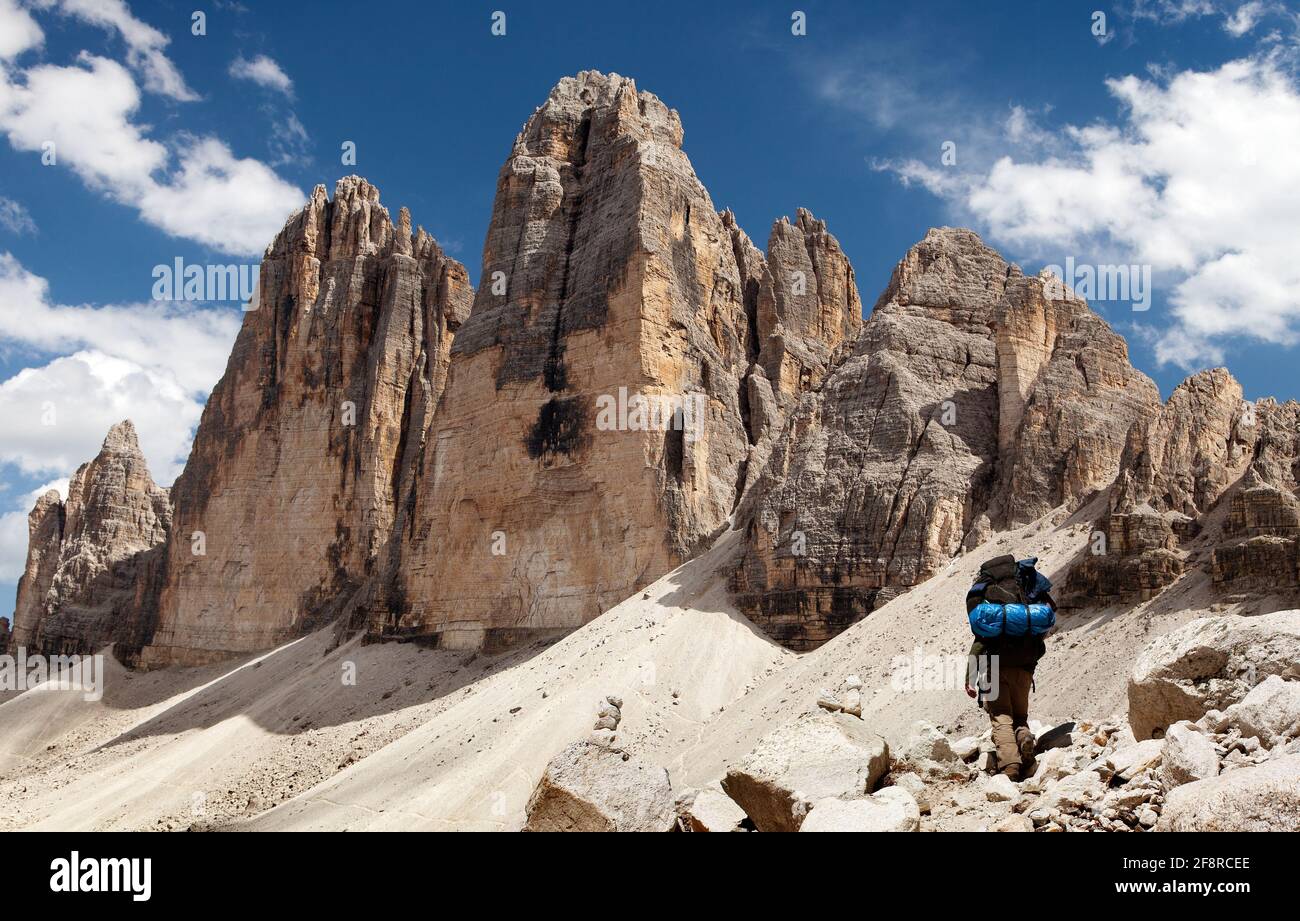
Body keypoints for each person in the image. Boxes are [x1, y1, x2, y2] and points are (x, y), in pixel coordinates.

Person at [963, 555, 1057, 781]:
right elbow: (1040, 643)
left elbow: (979, 643)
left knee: (1001, 716)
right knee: (1020, 716)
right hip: (1024, 669)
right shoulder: (1025, 604)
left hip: (995, 668)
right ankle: (1024, 740)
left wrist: (970, 677)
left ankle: (1010, 768)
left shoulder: (992, 615)